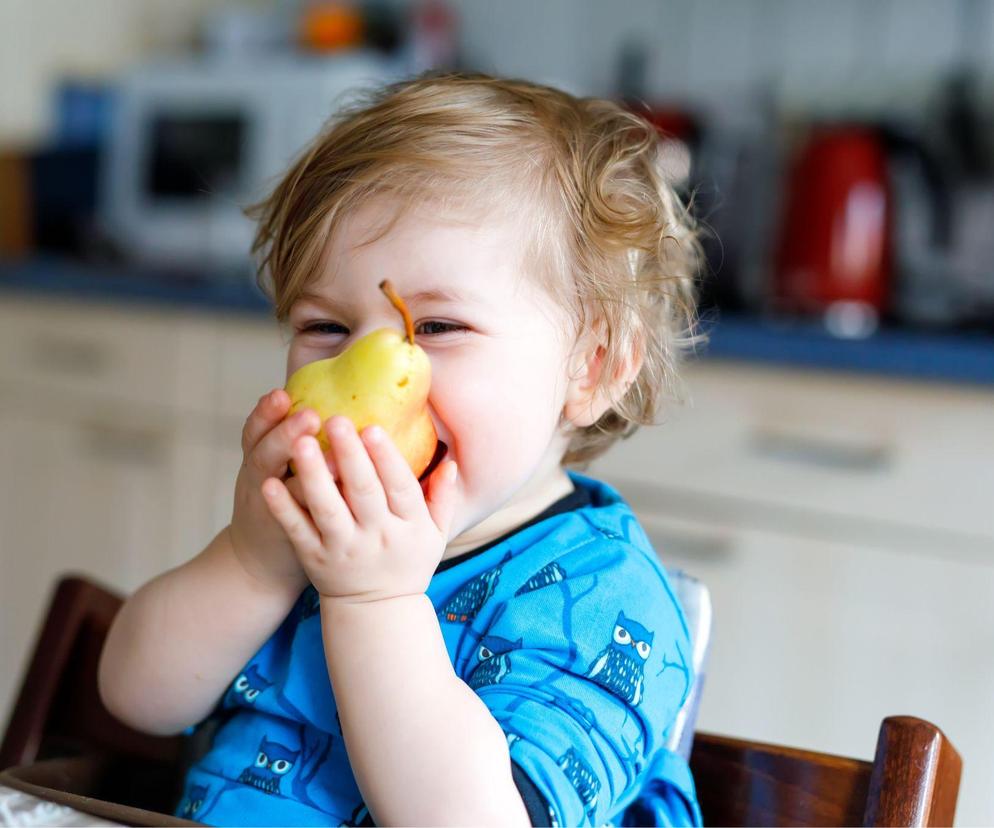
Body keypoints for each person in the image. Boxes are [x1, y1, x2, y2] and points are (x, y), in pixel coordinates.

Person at [97, 72, 705, 827]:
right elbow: (137, 699)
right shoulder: (309, 533)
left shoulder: (603, 596)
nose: (373, 365)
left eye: (436, 328)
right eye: (324, 328)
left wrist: (374, 602)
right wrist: (250, 560)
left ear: (593, 369)